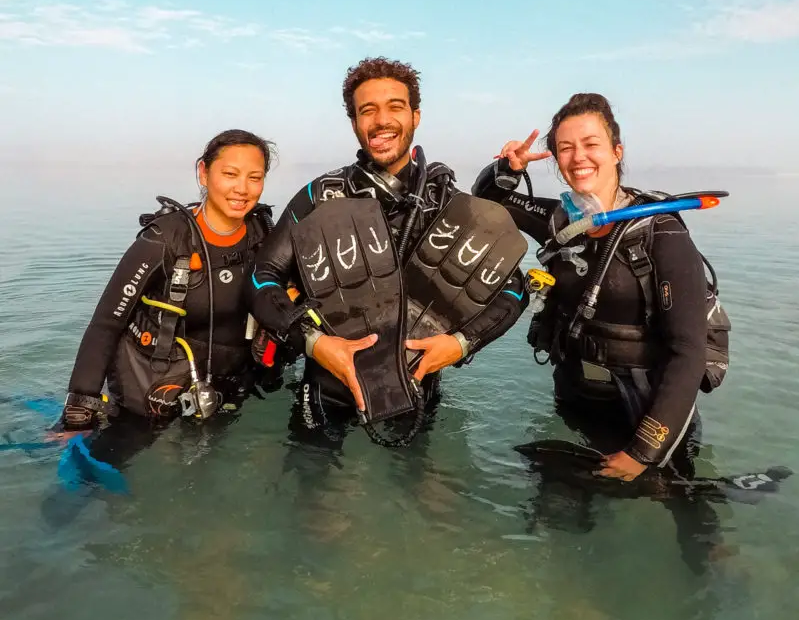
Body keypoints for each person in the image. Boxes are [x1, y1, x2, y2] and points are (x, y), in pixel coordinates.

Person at [248, 57, 528, 440]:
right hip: (325, 388)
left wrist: (459, 345)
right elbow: (263, 278)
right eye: (368, 110)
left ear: (415, 116)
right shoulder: (322, 196)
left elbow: (514, 289)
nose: (381, 120)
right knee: (317, 499)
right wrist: (316, 344)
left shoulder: (444, 202)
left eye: (395, 107)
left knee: (423, 498)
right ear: (354, 124)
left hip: (416, 388)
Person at [473, 92, 724, 483]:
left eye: (591, 145)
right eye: (565, 148)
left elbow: (688, 352)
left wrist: (644, 452)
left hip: (647, 407)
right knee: (558, 513)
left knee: (684, 512)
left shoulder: (661, 232)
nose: (578, 157)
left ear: (617, 151)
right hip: (577, 400)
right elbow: (487, 201)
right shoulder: (561, 222)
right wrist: (507, 167)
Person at [61, 129, 281, 431]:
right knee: (101, 471)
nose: (242, 189)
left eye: (254, 178)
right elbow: (106, 323)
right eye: (230, 174)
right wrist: (79, 409)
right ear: (203, 173)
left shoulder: (264, 234)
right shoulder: (165, 241)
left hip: (227, 390)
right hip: (152, 395)